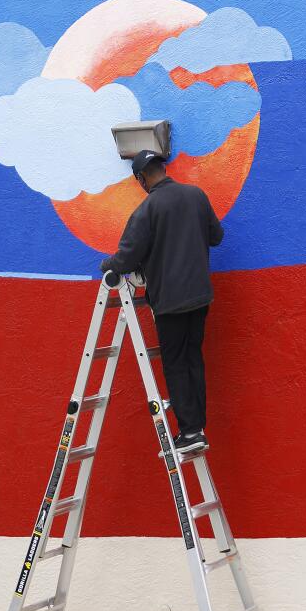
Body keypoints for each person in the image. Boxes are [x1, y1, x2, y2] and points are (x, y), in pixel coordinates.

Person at [100, 148, 224, 454]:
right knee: (193, 359)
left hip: (170, 301)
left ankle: (190, 431)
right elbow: (216, 236)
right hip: (200, 296)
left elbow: (127, 257)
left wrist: (108, 265)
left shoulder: (147, 210)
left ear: (142, 179)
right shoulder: (196, 196)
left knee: (175, 364)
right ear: (163, 170)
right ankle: (197, 426)